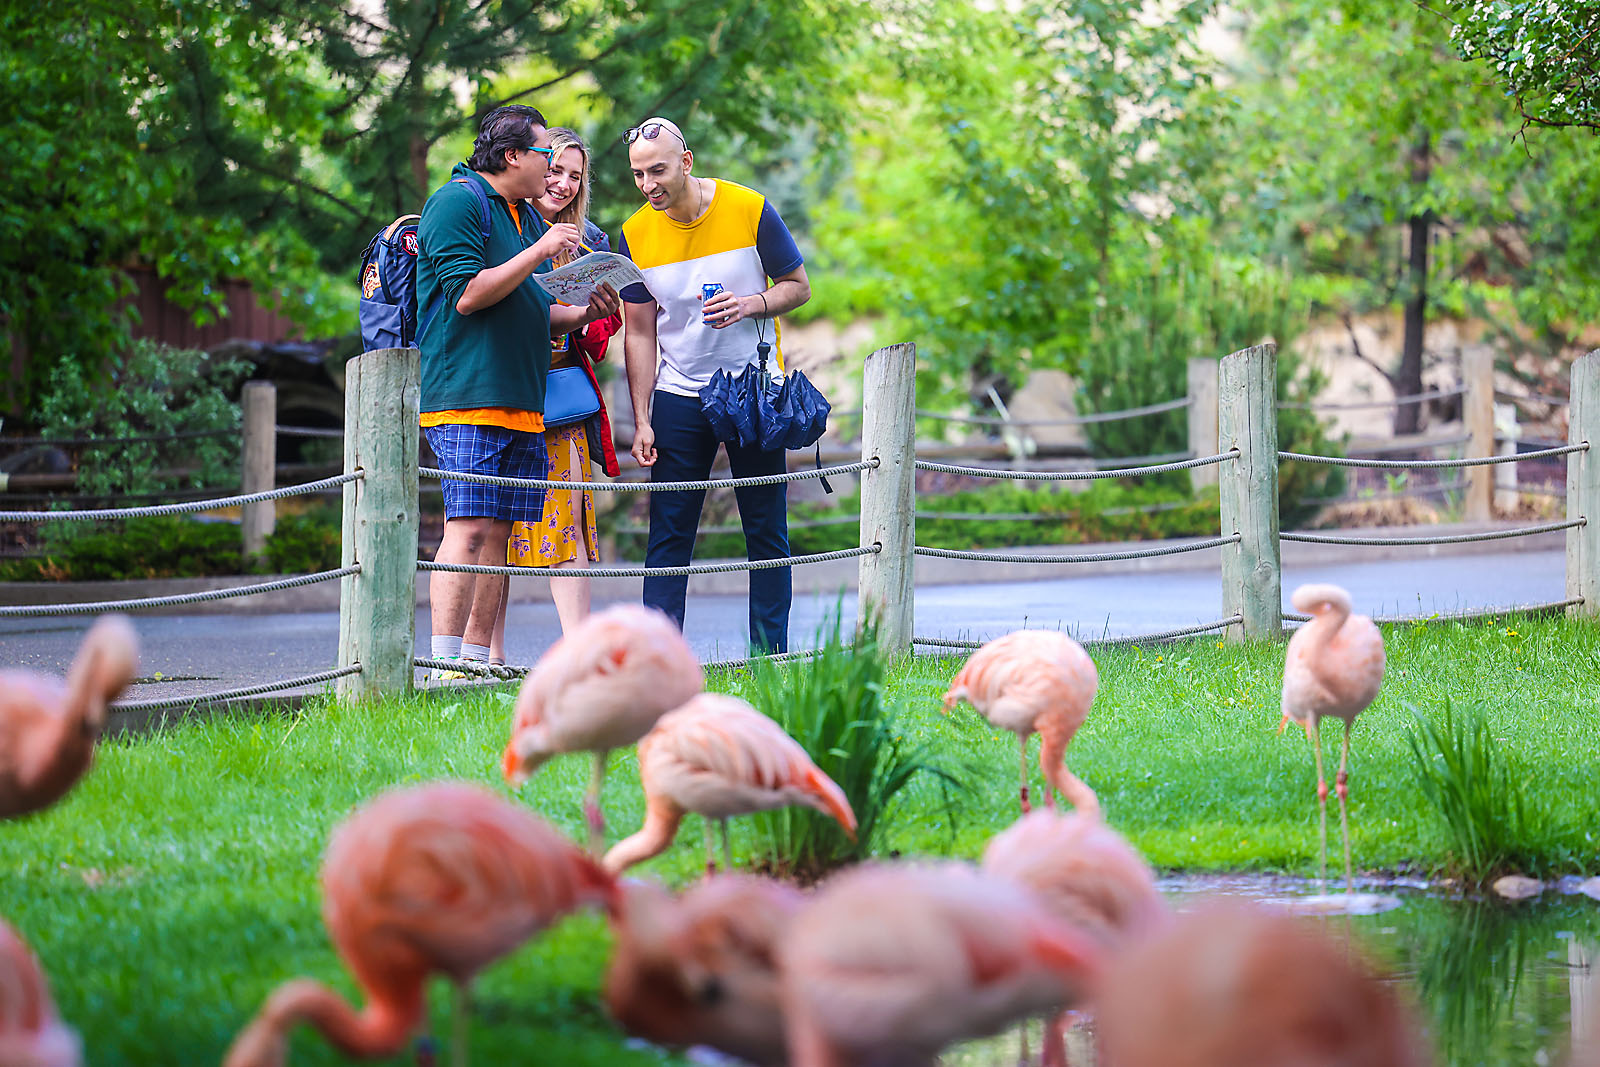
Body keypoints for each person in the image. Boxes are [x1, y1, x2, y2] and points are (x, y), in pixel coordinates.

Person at [416, 104, 620, 678]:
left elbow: (538, 311)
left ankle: (478, 662)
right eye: (543, 155)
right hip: (467, 393)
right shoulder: (457, 201)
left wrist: (583, 314)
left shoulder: (525, 218)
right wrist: (540, 251)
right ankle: (443, 666)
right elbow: (468, 295)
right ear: (512, 157)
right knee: (470, 525)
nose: (552, 165)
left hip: (525, 401)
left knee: (501, 533)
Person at [618, 116, 811, 654]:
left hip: (752, 389)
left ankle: (769, 657)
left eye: (657, 170)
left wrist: (754, 304)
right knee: (669, 536)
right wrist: (643, 418)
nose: (648, 184)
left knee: (766, 531)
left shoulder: (749, 208)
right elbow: (638, 332)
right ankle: (657, 662)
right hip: (679, 393)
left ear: (687, 161)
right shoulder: (634, 234)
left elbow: (798, 288)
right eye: (637, 174)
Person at [483, 128, 623, 661]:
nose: (562, 184)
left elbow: (599, 341)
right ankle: (486, 658)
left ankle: (578, 658)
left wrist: (596, 311)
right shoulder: (501, 227)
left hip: (560, 400)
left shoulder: (590, 242)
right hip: (500, 393)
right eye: (556, 170)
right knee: (493, 527)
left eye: (575, 177)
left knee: (567, 532)